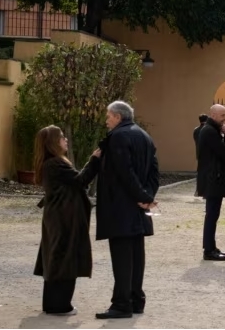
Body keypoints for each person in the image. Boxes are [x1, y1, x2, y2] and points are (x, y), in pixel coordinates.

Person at [94, 101, 159, 320]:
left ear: (118, 117)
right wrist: (147, 197)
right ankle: (135, 300)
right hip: (137, 207)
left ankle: (122, 304)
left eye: (108, 116)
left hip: (121, 207)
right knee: (136, 256)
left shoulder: (119, 137)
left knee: (122, 258)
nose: (107, 120)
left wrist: (142, 197)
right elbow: (154, 172)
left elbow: (124, 172)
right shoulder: (144, 136)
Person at [32, 126, 101, 316]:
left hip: (58, 216)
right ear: (53, 142)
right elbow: (80, 180)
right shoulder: (55, 163)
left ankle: (53, 304)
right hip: (63, 217)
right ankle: (60, 305)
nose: (65, 140)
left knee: (56, 256)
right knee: (64, 257)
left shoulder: (52, 163)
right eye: (62, 137)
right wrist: (94, 160)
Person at [196, 105, 225, 261]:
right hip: (212, 178)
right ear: (213, 115)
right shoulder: (210, 131)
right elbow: (223, 153)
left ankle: (211, 247)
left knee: (212, 214)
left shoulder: (211, 129)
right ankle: (209, 249)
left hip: (212, 177)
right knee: (212, 215)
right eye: (222, 115)